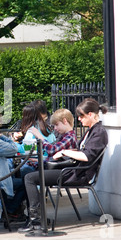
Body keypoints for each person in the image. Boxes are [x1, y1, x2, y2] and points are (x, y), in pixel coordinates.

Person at [19, 98, 108, 233]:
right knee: (28, 174)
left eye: (81, 116)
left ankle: (36, 220)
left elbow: (86, 156)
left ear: (90, 114)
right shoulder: (92, 130)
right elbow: (81, 152)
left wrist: (65, 151)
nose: (79, 119)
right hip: (73, 171)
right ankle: (35, 218)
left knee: (30, 178)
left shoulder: (99, 132)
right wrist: (68, 152)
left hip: (76, 174)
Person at [22, 108, 78, 176]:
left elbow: (52, 150)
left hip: (62, 172)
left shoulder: (70, 137)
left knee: (26, 172)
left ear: (65, 121)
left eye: (57, 125)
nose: (55, 128)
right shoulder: (65, 136)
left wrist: (40, 137)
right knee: (25, 169)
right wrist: (39, 160)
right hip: (58, 168)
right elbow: (55, 157)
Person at [13, 104, 56, 177]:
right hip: (47, 163)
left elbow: (26, 151)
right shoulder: (48, 129)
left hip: (35, 165)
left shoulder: (32, 130)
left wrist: (12, 143)